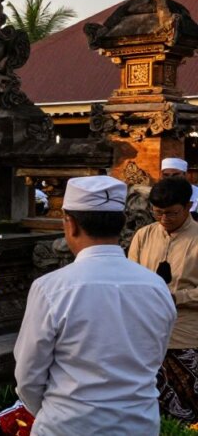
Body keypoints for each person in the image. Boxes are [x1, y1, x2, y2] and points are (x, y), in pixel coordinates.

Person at [14, 175, 176, 435]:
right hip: (137, 424)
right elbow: (155, 357)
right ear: (122, 224)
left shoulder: (51, 288)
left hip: (67, 425)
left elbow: (28, 375)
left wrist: (57, 410)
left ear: (71, 224)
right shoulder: (156, 286)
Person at [128, 177, 198, 422]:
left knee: (190, 407)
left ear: (188, 206)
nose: (164, 219)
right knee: (148, 406)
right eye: (158, 213)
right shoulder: (143, 235)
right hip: (147, 334)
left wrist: (176, 297)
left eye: (172, 213)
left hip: (187, 334)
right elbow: (130, 278)